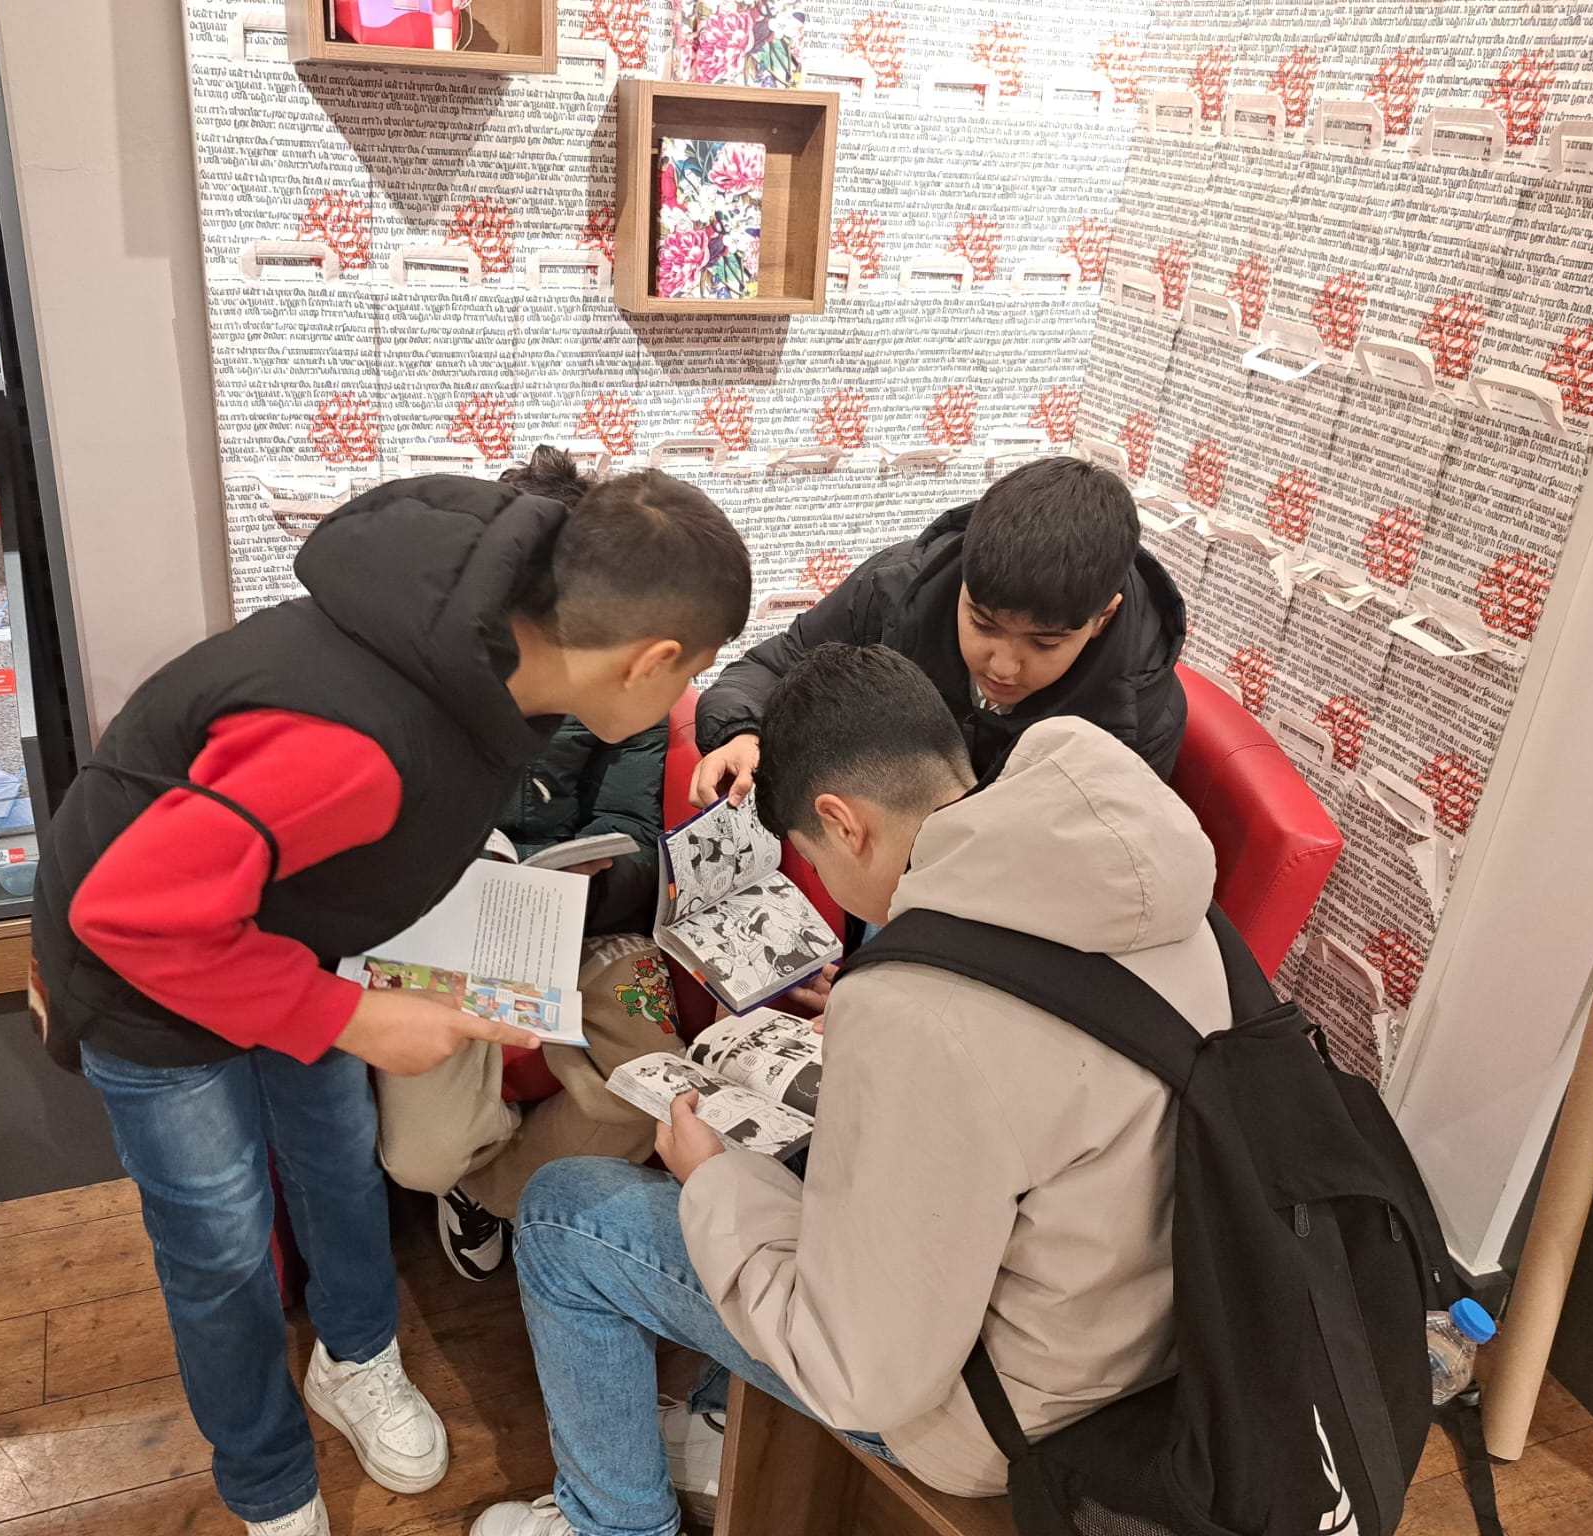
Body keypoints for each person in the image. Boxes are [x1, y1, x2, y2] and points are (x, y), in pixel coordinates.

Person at [29, 469, 750, 1536]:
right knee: (218, 1242)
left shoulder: (488, 636)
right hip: (147, 978)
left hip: (293, 932)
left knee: (334, 1158)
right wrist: (353, 1018)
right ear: (651, 661)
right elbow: (129, 919)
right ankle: (269, 1482)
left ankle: (356, 1354)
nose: (688, 692)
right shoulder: (357, 735)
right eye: (696, 670)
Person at [473, 644, 1230, 1536]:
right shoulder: (1138, 880)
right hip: (1157, 1345)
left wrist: (710, 1180)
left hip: (998, 1419)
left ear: (842, 822)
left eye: (806, 856)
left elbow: (859, 1372)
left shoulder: (918, 1009)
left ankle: (613, 1522)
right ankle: (716, 1427)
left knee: (564, 1214)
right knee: (793, 1142)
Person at [377, 449, 692, 1284]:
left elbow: (632, 830)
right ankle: (475, 1180)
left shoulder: (626, 673)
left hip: (586, 926)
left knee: (656, 1097)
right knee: (421, 1156)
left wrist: (588, 882)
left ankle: (494, 1191)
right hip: (448, 934)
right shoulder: (424, 669)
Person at [689, 456, 1188, 810]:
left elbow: (1098, 861)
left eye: (1044, 643)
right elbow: (769, 669)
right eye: (983, 624)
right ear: (964, 578)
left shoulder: (1140, 712)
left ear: (1103, 618)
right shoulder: (894, 593)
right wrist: (742, 734)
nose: (1003, 666)